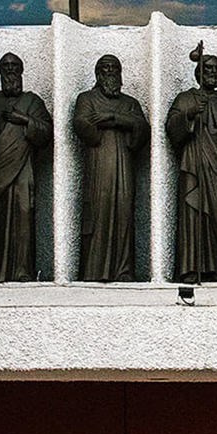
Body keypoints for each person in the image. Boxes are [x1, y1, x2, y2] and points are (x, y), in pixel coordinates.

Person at [0, 52, 52, 282]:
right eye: (6, 68)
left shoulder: (32, 102)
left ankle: (22, 270)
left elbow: (46, 132)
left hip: (23, 169)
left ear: (21, 72)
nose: (11, 72)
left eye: (15, 67)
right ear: (0, 72)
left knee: (24, 217)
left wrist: (23, 119)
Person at [166, 43, 217, 283]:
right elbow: (171, 128)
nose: (213, 73)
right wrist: (189, 114)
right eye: (208, 69)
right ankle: (191, 268)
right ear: (199, 72)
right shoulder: (186, 98)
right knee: (192, 216)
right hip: (193, 163)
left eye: (216, 69)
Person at [71, 54, 147, 282]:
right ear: (97, 74)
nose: (110, 73)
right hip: (99, 166)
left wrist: (110, 118)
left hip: (124, 166)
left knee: (124, 211)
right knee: (99, 211)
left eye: (114, 69)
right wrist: (121, 121)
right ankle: (95, 270)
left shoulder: (130, 103)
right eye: (105, 69)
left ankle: (123, 270)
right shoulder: (86, 99)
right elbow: (83, 124)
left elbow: (141, 128)